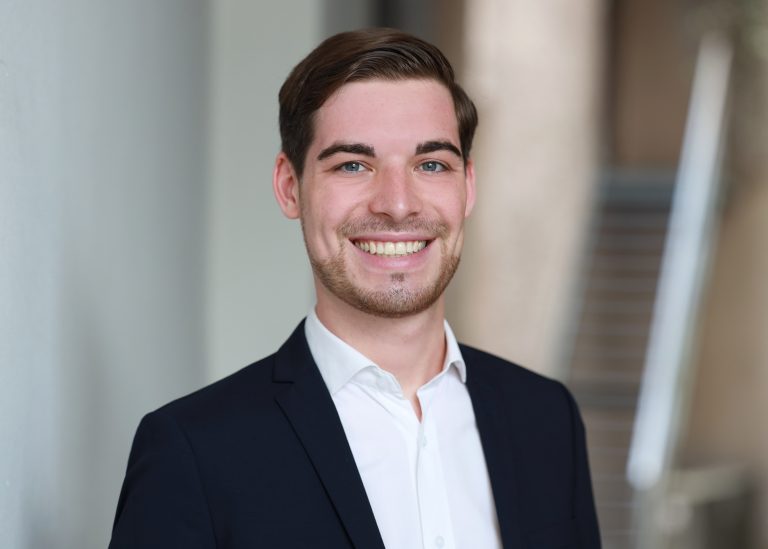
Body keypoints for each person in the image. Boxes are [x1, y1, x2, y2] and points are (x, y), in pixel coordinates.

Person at [108, 28, 601, 549]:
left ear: (467, 186)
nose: (397, 204)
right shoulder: (194, 451)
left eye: (431, 164)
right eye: (353, 165)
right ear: (289, 186)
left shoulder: (548, 419)